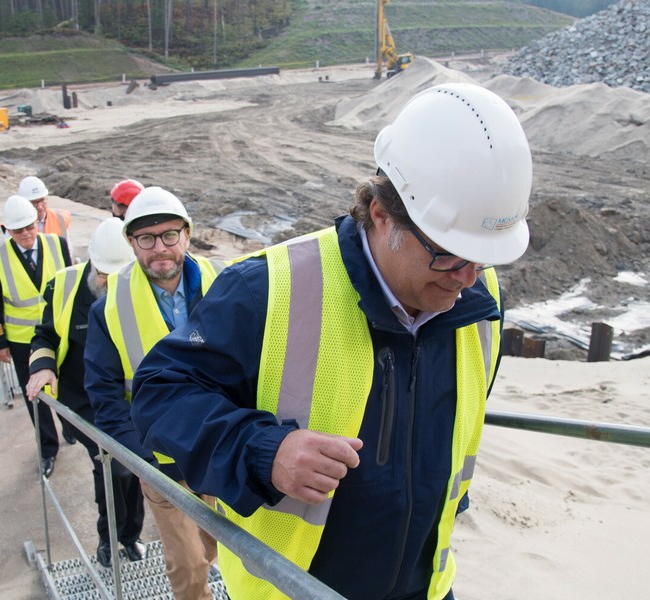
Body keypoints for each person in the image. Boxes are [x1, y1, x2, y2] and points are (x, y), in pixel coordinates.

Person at [130, 83, 532, 600]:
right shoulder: (267, 289)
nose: (467, 277)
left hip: (426, 588)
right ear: (383, 215)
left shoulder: (477, 301)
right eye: (450, 254)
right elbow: (159, 395)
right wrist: (261, 450)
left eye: (484, 257)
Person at [84, 187, 225, 600]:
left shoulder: (227, 284)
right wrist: (146, 464)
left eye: (169, 235)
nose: (159, 248)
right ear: (132, 244)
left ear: (186, 235)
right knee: (187, 564)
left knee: (225, 549)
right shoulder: (108, 309)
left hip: (223, 453)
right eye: (146, 238)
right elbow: (106, 399)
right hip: (163, 467)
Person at [24, 217, 147, 569]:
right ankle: (109, 539)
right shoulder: (62, 287)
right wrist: (41, 366)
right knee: (112, 466)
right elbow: (44, 335)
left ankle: (130, 536)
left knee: (132, 465)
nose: (111, 284)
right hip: (82, 400)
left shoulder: (139, 286)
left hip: (127, 397)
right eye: (105, 274)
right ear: (90, 261)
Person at [0, 194, 72, 478]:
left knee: (67, 386)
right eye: (18, 230)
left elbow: (72, 286)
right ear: (7, 230)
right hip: (22, 342)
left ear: (37, 222)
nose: (26, 234)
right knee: (35, 397)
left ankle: (71, 427)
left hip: (59, 335)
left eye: (30, 227)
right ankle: (48, 448)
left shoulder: (57, 244)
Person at [18, 176, 72, 242]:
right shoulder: (16, 226)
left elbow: (67, 250)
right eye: (34, 203)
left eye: (42, 200)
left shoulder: (60, 219)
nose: (40, 206)